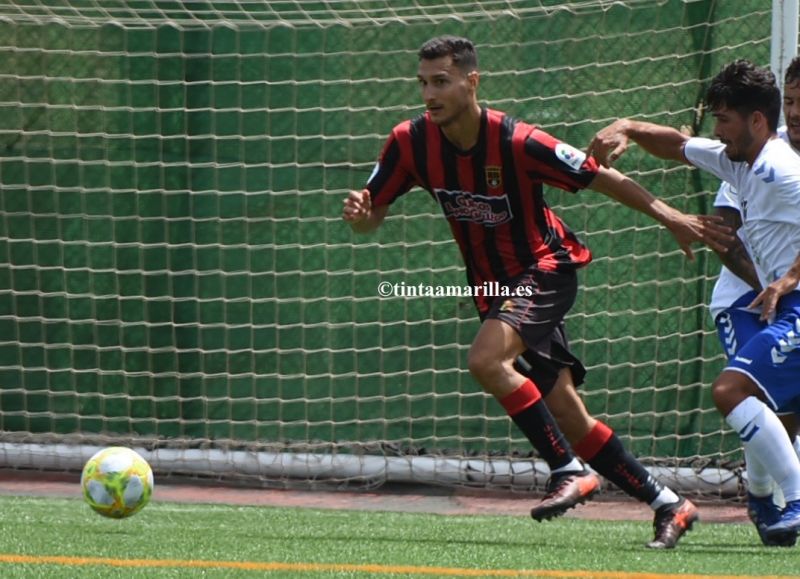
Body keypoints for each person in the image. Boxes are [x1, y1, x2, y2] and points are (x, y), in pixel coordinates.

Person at [342, 35, 731, 548]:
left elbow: (600, 177)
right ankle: (668, 503)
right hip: (494, 287)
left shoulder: (518, 140)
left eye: (441, 81)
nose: (429, 94)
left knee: (485, 361)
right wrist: (363, 217)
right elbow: (372, 219)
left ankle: (566, 470)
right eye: (423, 83)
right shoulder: (409, 142)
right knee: (568, 412)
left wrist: (671, 215)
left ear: (471, 81)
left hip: (546, 268)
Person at [587, 59, 800, 541]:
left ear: (756, 120)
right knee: (763, 402)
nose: (718, 129)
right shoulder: (744, 157)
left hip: (789, 300)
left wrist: (785, 280)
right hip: (751, 301)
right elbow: (681, 149)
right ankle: (769, 501)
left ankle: (786, 499)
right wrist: (628, 126)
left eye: (724, 118)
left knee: (741, 394)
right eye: (792, 102)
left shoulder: (781, 171)